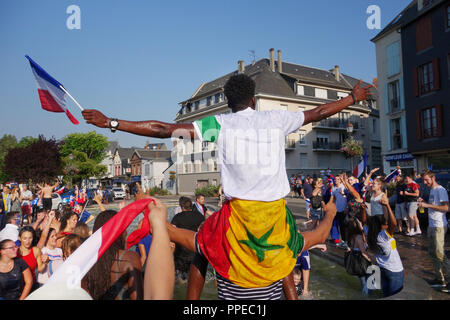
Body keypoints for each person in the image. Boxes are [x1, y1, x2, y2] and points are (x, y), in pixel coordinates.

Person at [82, 73, 372, 299]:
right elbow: (319, 111)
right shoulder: (276, 118)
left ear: (227, 102)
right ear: (254, 101)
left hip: (238, 218)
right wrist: (351, 98)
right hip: (274, 216)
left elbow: (163, 129)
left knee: (202, 248)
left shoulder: (219, 124)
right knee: (286, 253)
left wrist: (112, 122)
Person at [83, 210, 143, 300]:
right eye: (123, 228)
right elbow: (137, 297)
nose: (126, 232)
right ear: (117, 231)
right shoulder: (130, 258)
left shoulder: (86, 259)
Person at [367, 193, 404, 298]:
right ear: (381, 226)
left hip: (383, 269)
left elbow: (368, 221)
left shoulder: (371, 235)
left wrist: (383, 206)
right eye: (385, 223)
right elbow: (394, 224)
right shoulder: (382, 236)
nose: (387, 224)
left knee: (385, 296)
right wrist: (387, 205)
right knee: (394, 296)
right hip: (394, 271)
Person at [418, 170, 450, 290]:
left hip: (439, 226)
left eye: (427, 180)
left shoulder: (440, 190)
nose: (425, 182)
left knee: (440, 253)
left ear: (433, 178)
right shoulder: (431, 190)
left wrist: (428, 205)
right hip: (431, 226)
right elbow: (433, 205)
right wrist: (424, 203)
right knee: (432, 253)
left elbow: (447, 208)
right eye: (424, 180)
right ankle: (439, 278)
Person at [170, 196, 205, 281]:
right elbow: (204, 231)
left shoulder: (177, 217)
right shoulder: (200, 216)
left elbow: (172, 232)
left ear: (181, 207)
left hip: (181, 251)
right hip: (195, 249)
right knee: (194, 275)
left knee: (179, 276)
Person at [346, 217, 372, 296]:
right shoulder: (358, 237)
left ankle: (364, 294)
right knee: (368, 283)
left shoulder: (350, 236)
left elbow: (349, 248)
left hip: (355, 261)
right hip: (362, 261)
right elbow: (363, 252)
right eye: (359, 223)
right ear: (356, 226)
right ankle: (365, 296)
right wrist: (371, 260)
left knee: (363, 282)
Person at [17, 226, 46, 290]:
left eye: (30, 238)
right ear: (19, 238)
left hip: (32, 285)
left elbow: (40, 269)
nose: (28, 241)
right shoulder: (15, 251)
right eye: (25, 238)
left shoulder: (36, 250)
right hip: (17, 287)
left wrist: (46, 262)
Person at [330, 175, 348, 248]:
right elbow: (333, 199)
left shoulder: (343, 186)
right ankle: (343, 241)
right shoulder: (334, 188)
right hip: (337, 210)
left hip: (345, 209)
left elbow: (348, 195)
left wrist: (347, 207)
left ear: (340, 180)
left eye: (337, 179)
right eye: (335, 179)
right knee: (339, 226)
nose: (335, 180)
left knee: (345, 227)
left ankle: (347, 242)